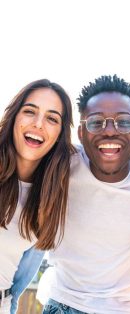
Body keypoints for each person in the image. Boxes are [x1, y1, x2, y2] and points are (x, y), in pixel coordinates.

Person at [41, 75, 130, 314]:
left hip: (127, 309)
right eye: (96, 122)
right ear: (81, 133)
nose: (109, 131)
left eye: (124, 122)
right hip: (64, 304)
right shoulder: (59, 164)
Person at [0, 79, 75, 314]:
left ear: (60, 134)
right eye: (30, 111)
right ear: (14, 117)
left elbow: (14, 287)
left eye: (52, 118)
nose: (38, 123)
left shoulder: (50, 197)